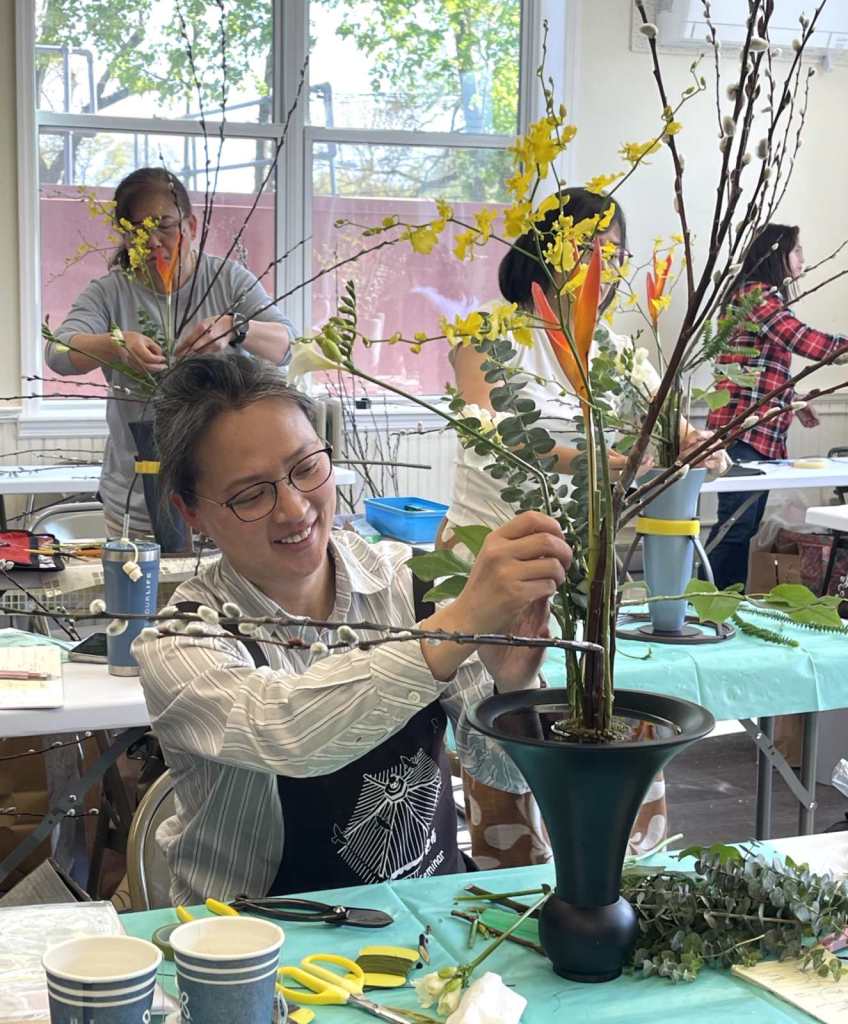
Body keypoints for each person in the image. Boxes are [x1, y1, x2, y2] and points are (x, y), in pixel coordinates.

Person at [133, 353, 572, 904]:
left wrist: (514, 687)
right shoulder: (180, 640)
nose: (294, 509)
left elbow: (506, 776)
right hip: (257, 938)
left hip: (429, 920)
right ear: (190, 512)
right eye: (250, 495)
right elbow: (288, 731)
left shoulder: (412, 584)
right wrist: (453, 631)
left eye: (306, 468)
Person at [442, 188, 724, 867]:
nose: (606, 263)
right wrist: (593, 458)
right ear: (547, 249)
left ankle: (618, 873)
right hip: (490, 560)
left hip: (579, 574)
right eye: (590, 247)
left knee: (601, 713)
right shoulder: (490, 334)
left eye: (616, 252)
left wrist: (696, 444)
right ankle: (508, 879)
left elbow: (666, 426)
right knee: (509, 728)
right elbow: (489, 431)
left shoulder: (617, 351)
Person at [44, 167, 294, 538]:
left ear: (191, 225)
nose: (153, 241)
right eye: (137, 230)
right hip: (137, 498)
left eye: (164, 225)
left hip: (228, 497)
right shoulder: (110, 292)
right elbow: (58, 351)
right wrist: (115, 345)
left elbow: (288, 345)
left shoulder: (226, 280)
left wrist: (235, 327)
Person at [705, 223, 848, 589]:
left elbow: (758, 367)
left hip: (752, 432)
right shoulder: (756, 296)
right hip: (743, 433)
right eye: (796, 250)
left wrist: (792, 402)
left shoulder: (753, 297)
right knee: (736, 528)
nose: (802, 259)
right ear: (776, 254)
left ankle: (719, 605)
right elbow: (802, 339)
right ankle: (706, 604)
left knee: (741, 526)